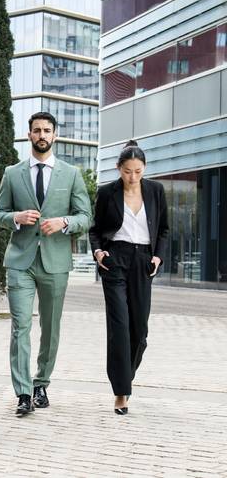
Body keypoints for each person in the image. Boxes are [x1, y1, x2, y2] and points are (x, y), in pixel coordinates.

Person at [0, 111, 92, 416]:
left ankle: (41, 383)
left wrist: (64, 222)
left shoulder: (71, 174)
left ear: (55, 135)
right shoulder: (13, 173)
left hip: (55, 261)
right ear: (29, 135)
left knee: (50, 327)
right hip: (21, 260)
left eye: (47, 130)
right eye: (36, 130)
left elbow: (86, 217)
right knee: (20, 326)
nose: (41, 135)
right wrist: (16, 218)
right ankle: (23, 393)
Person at [89, 140, 168, 415]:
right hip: (115, 260)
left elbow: (165, 230)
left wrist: (157, 256)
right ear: (118, 169)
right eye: (127, 172)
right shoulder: (107, 192)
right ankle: (121, 392)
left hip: (144, 262)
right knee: (120, 327)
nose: (132, 177)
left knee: (140, 332)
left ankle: (125, 374)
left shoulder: (156, 191)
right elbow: (95, 229)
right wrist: (99, 252)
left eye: (137, 171)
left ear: (144, 168)